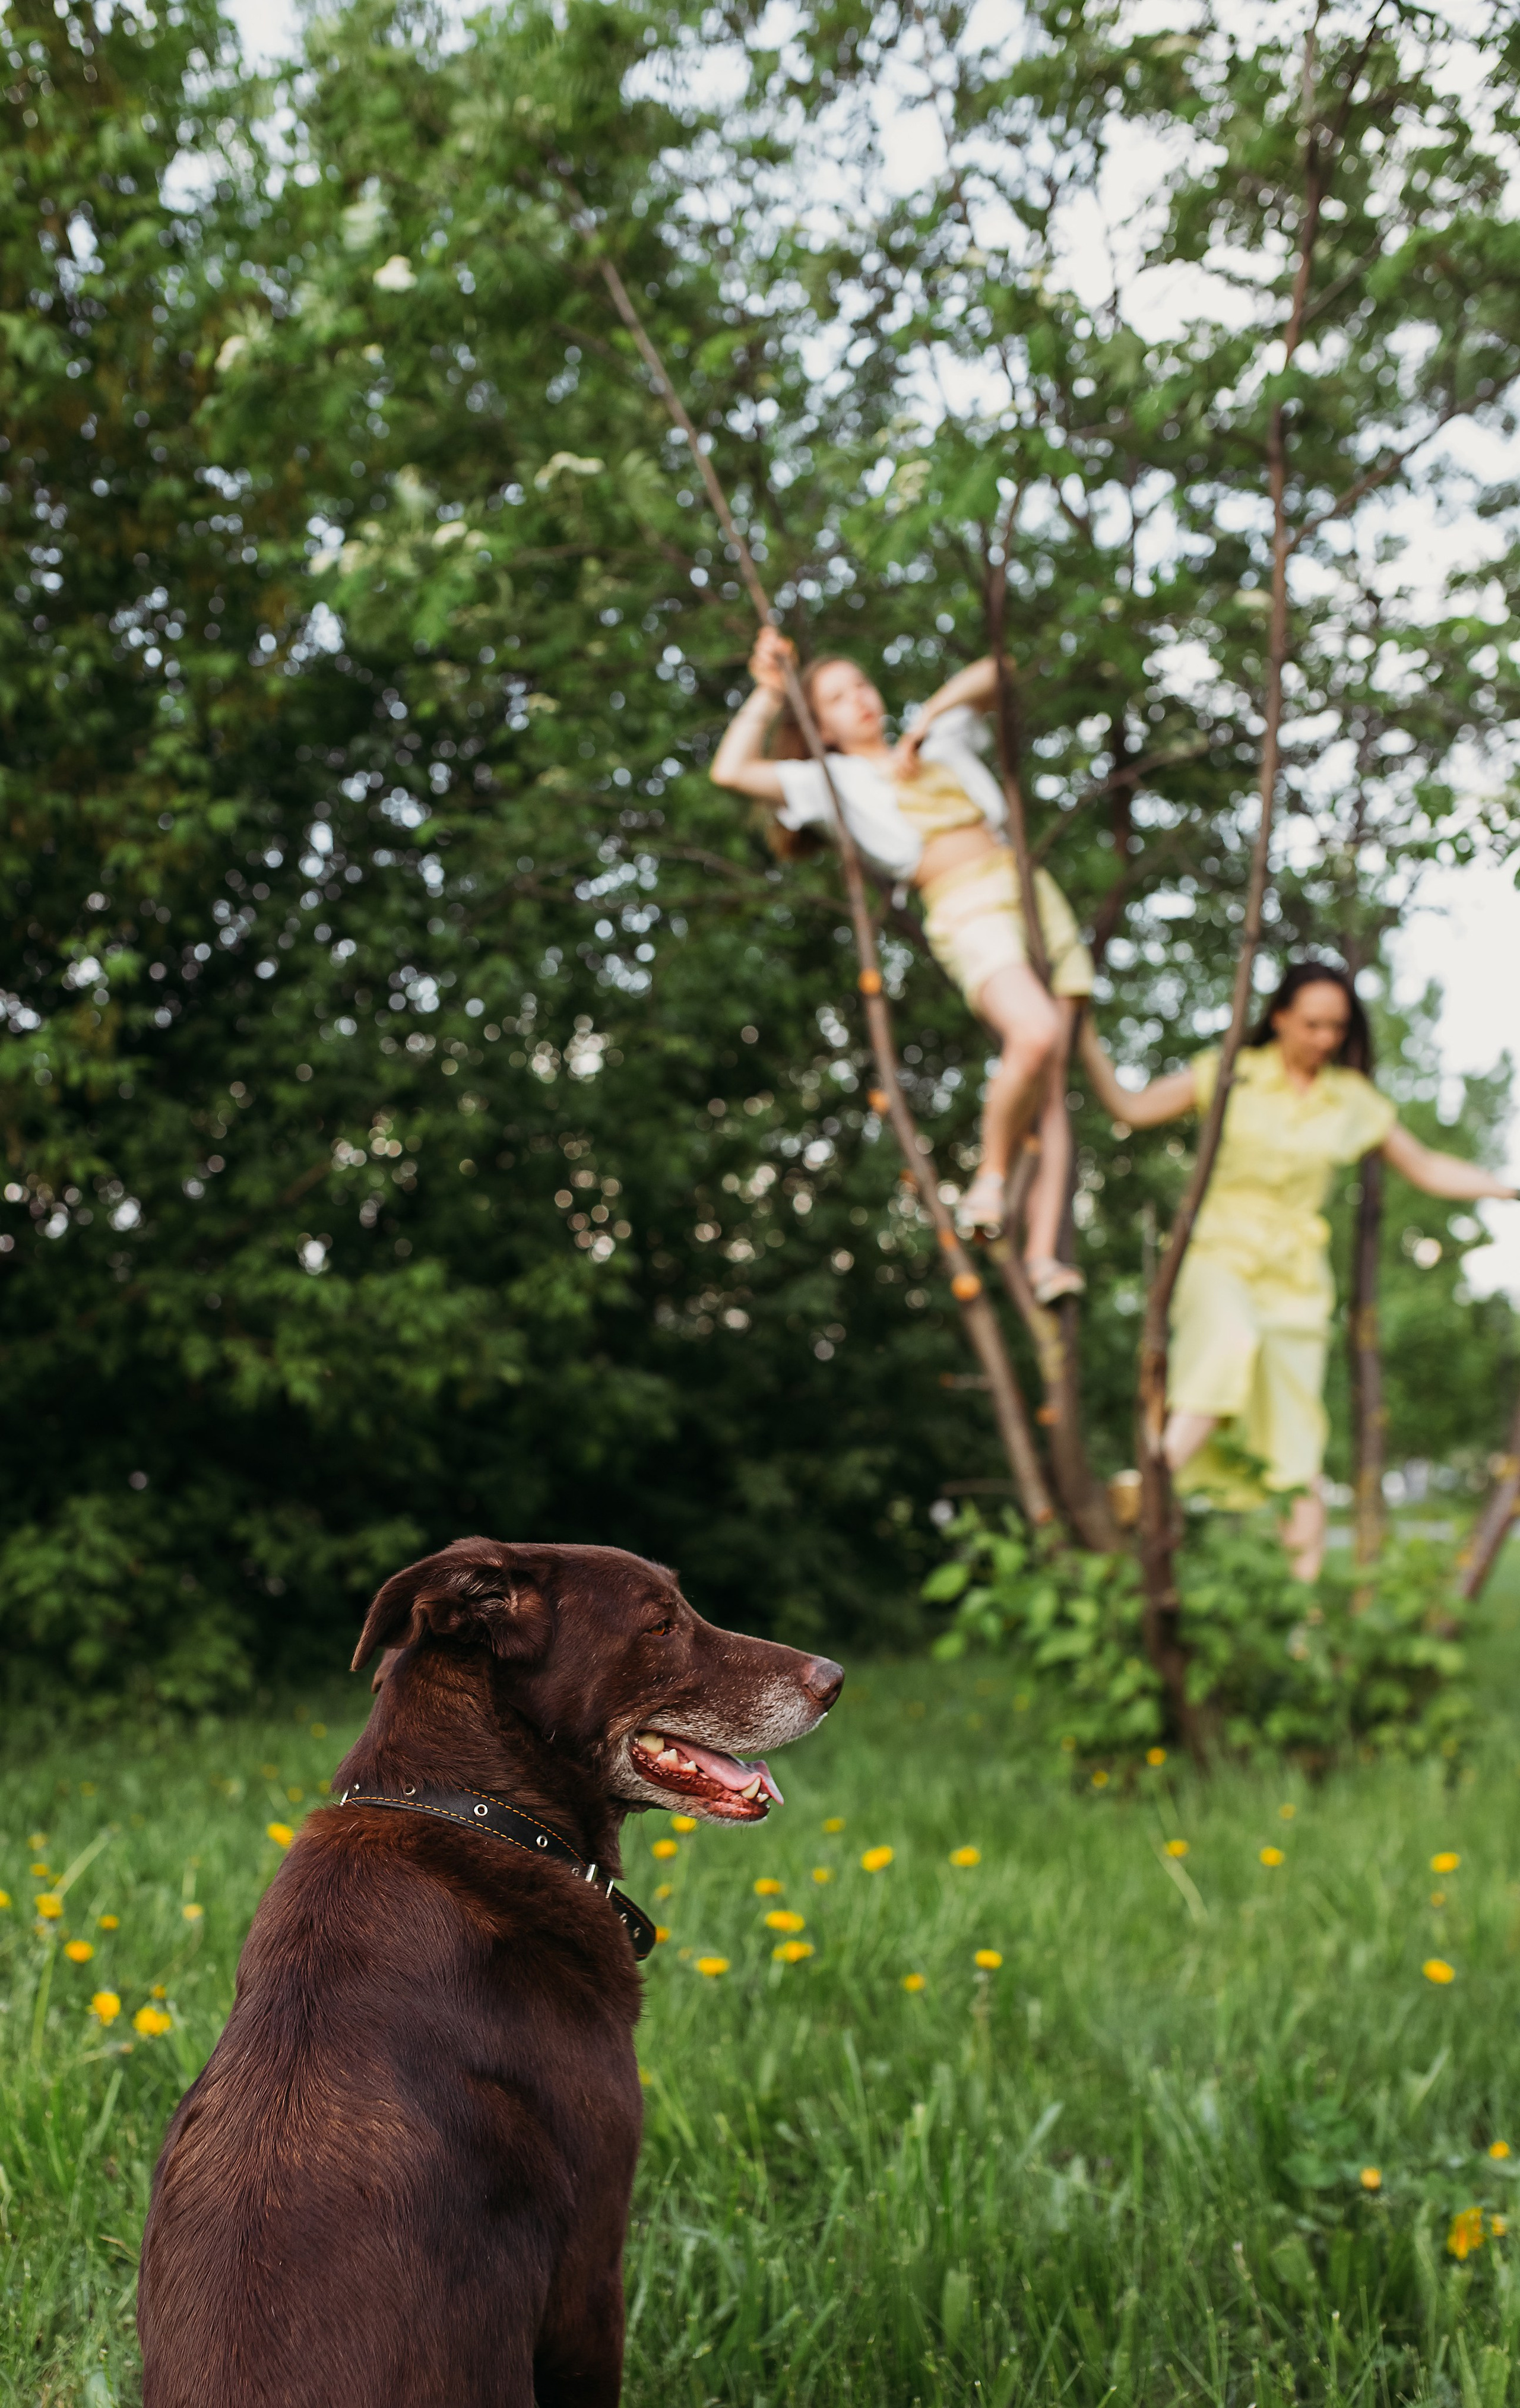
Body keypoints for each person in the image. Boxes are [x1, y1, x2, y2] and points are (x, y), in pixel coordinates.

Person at [1080, 961, 1519, 1578]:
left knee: (1299, 1455)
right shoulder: (1231, 1073)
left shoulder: (1350, 1100)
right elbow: (1130, 1107)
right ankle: (1154, 1478)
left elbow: (1425, 1166)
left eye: (1336, 1027)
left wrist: (1508, 1190)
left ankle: (1302, 1617)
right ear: (1280, 1017)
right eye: (1312, 1024)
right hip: (1218, 1253)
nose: (1324, 1038)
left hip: (1296, 1282)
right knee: (1229, 1340)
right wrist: (1078, 1028)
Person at [710, 628, 1094, 1301]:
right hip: (965, 906)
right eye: (836, 698)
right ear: (820, 726)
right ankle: (990, 1177)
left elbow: (999, 670)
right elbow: (731, 771)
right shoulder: (831, 781)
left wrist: (928, 718)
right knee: (1034, 1035)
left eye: (860, 684)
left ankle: (1042, 1259)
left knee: (1053, 1075)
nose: (858, 699)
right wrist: (770, 691)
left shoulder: (939, 742)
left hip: (1030, 890)